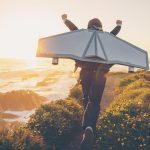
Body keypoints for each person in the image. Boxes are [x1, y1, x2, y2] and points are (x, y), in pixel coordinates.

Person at [61, 14, 122, 150]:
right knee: (94, 100)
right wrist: (119, 25)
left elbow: (74, 30)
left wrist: (65, 20)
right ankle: (89, 127)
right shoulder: (106, 38)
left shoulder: (84, 36)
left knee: (86, 98)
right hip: (101, 73)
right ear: (101, 27)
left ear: (89, 26)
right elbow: (114, 35)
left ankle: (87, 127)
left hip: (86, 72)